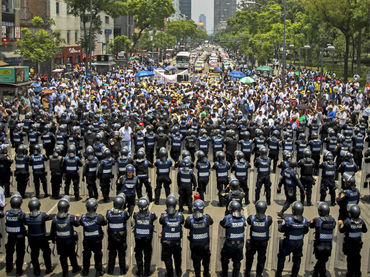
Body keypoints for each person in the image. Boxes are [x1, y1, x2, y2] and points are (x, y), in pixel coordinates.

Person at [276, 201, 309, 277]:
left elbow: (281, 229)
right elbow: (306, 231)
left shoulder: (288, 220)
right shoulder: (305, 221)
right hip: (299, 244)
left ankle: (279, 273)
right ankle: (294, 275)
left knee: (281, 257)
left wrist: (280, 224)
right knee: (297, 259)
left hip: (288, 243)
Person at [50, 196, 81, 277]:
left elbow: (52, 231)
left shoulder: (55, 219)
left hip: (60, 241)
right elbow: (77, 224)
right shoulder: (70, 217)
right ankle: (75, 267)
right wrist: (76, 218)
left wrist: (53, 239)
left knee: (63, 257)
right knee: (72, 254)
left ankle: (65, 272)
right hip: (70, 241)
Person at [23, 197, 54, 276]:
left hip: (32, 239)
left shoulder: (26, 217)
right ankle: (48, 268)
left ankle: (36, 270)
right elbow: (51, 216)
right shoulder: (42, 215)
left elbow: (22, 219)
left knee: (34, 255)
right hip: (42, 238)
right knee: (46, 253)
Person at [184, 199, 213, 277]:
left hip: (194, 247)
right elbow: (211, 222)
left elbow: (186, 226)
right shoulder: (207, 218)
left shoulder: (189, 220)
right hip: (205, 246)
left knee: (196, 264)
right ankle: (206, 274)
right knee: (206, 263)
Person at [244, 200, 272, 277]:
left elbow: (249, 222)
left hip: (253, 242)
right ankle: (259, 274)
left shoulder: (251, 218)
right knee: (261, 259)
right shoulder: (268, 219)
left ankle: (247, 273)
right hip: (263, 243)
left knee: (249, 258)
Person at [80, 198, 107, 276]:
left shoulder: (83, 218)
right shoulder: (99, 217)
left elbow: (80, 223)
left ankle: (85, 270)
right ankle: (98, 271)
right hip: (97, 240)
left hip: (87, 240)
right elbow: (104, 223)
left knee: (86, 255)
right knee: (98, 255)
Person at [339, 204, 367, 277]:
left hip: (349, 244)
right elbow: (365, 230)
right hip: (358, 245)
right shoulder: (361, 221)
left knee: (350, 259)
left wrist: (340, 224)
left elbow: (341, 230)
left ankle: (350, 273)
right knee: (357, 258)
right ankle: (357, 273)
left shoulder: (347, 221)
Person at [159, 194, 184, 277]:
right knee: (177, 258)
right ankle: (178, 272)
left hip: (166, 242)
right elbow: (182, 222)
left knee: (167, 259)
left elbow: (161, 222)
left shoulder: (163, 216)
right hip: (176, 242)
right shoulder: (180, 216)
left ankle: (170, 274)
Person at [220, 200, 246, 277]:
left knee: (224, 259)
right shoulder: (243, 218)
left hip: (229, 245)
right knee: (237, 261)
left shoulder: (227, 218)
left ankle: (224, 274)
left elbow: (222, 223)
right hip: (239, 245)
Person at [309, 202, 336, 277]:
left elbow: (310, 225)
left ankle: (321, 274)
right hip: (328, 246)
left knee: (321, 261)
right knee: (323, 260)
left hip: (319, 246)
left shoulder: (317, 220)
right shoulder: (333, 220)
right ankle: (315, 272)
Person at [133, 196, 157, 277]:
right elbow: (155, 218)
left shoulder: (135, 215)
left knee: (138, 255)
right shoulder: (151, 216)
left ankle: (140, 271)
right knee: (147, 255)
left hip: (138, 239)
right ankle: (146, 272)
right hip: (147, 239)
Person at [106, 194, 130, 275]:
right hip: (121, 237)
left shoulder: (109, 213)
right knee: (121, 254)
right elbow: (127, 216)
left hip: (111, 237)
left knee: (112, 254)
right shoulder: (124, 213)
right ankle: (122, 270)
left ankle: (110, 270)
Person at [5, 192, 26, 275]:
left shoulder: (7, 213)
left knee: (9, 252)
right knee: (20, 253)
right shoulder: (21, 215)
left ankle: (8, 268)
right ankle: (19, 270)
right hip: (20, 236)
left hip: (10, 236)